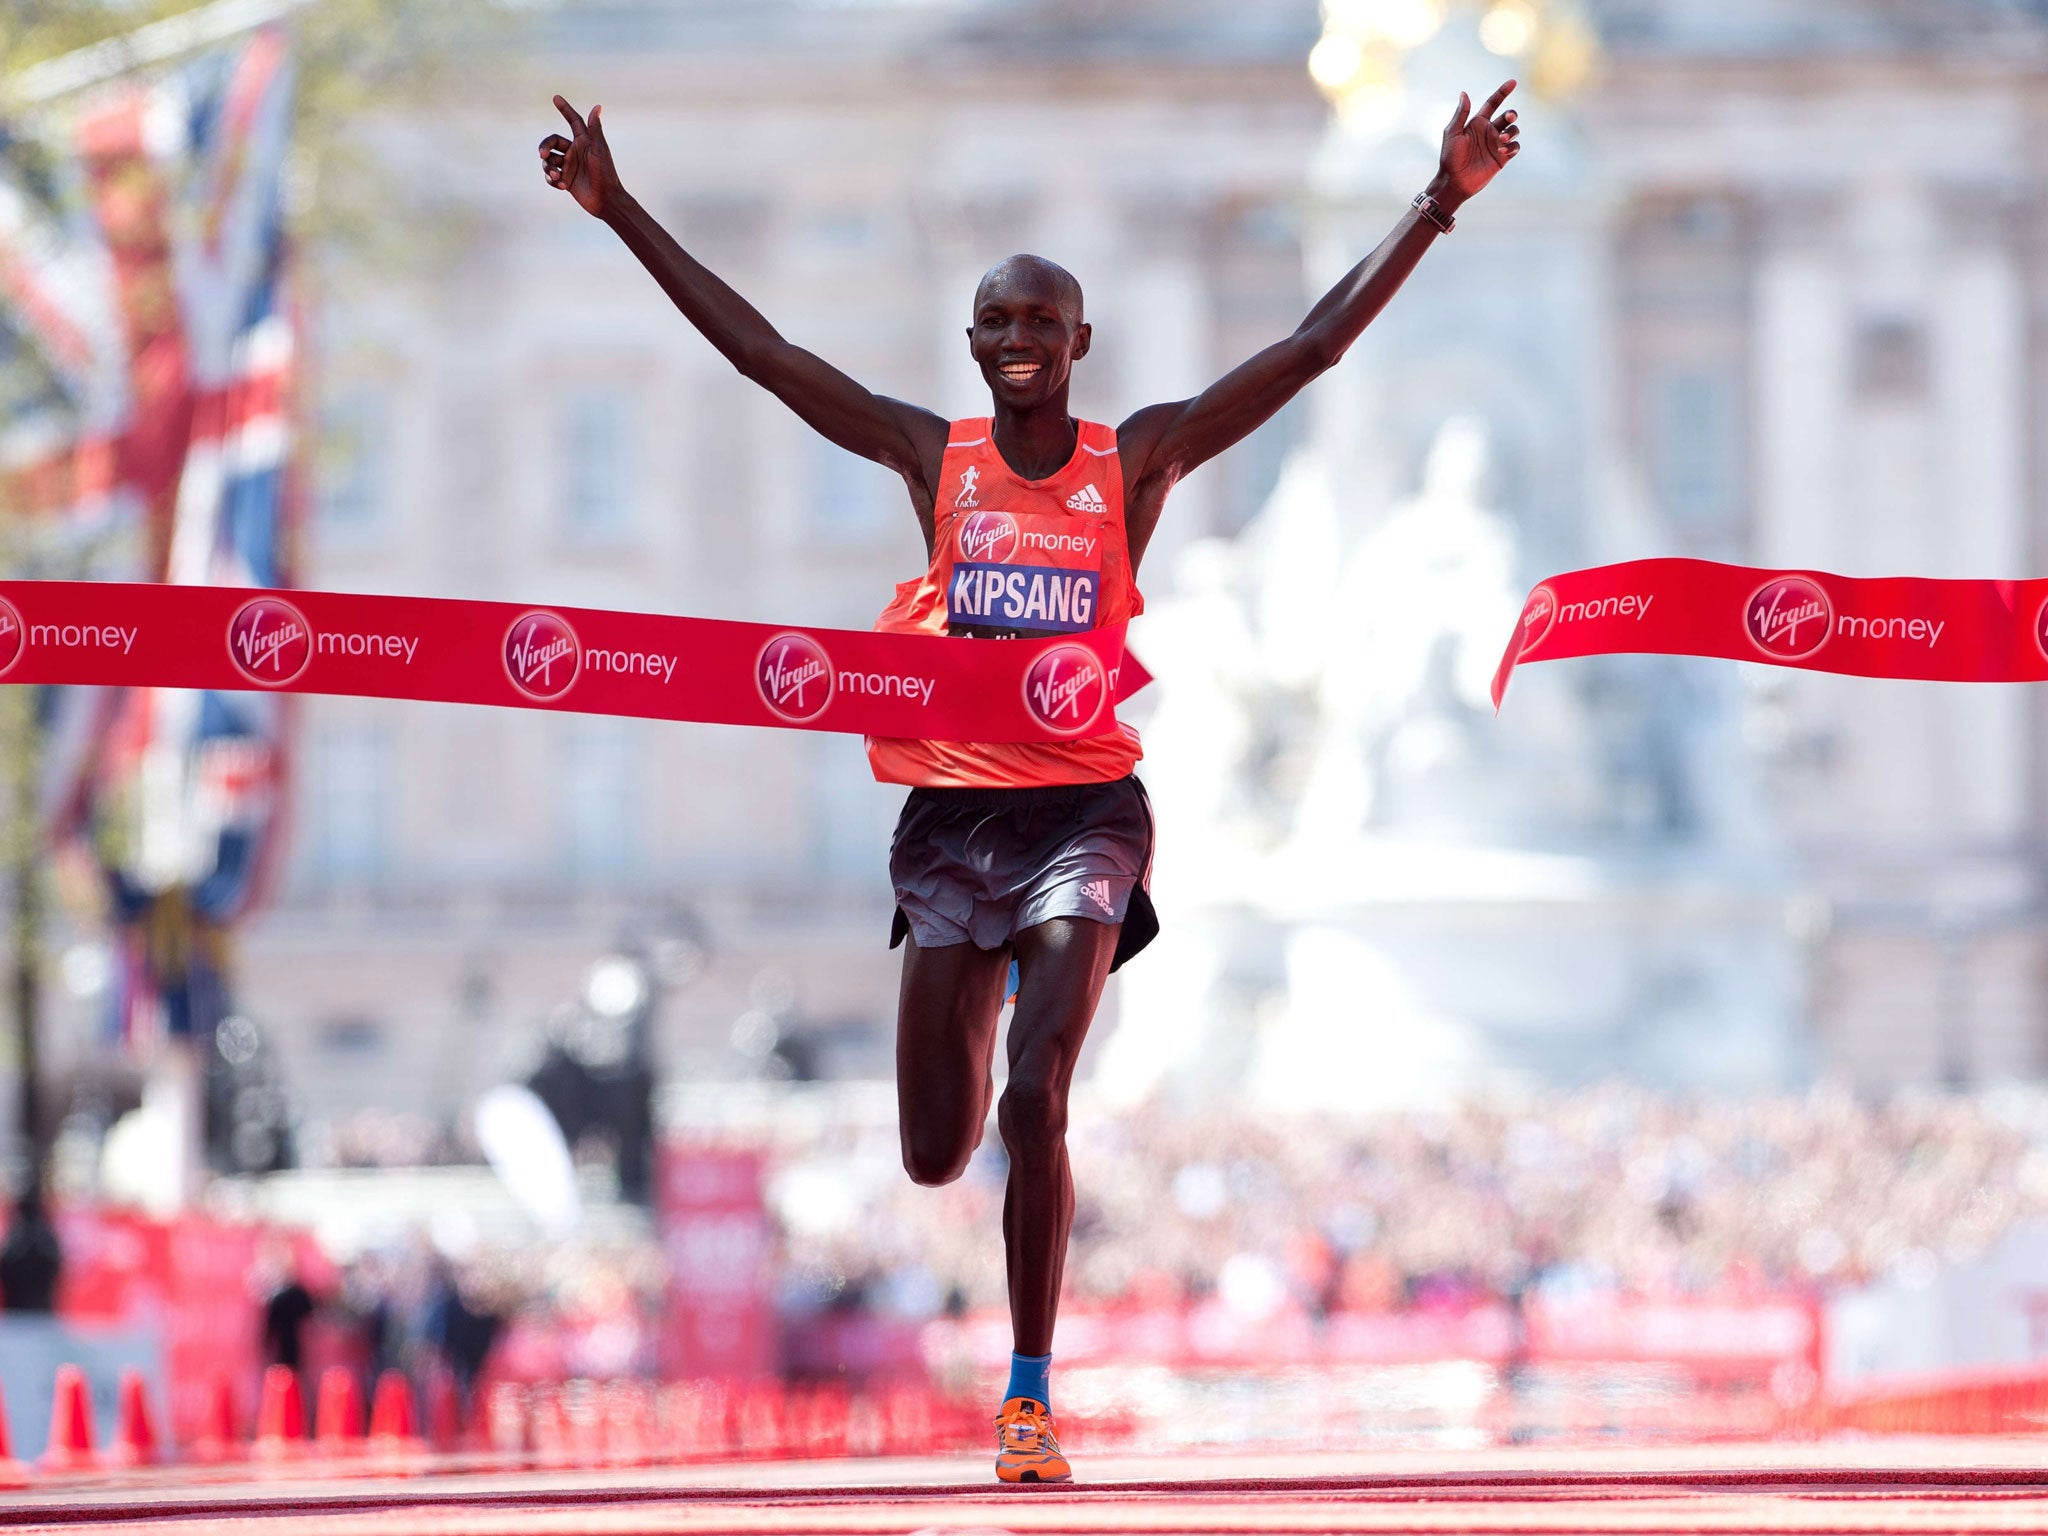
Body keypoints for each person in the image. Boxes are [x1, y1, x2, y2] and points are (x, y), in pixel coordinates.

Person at [539, 82, 1522, 1480]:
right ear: (974, 340)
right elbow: (764, 355)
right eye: (996, 323)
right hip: (953, 821)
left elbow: (1306, 350)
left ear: (1080, 344)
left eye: (1040, 325)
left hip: (1084, 811)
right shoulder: (928, 457)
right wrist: (618, 207)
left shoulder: (1140, 462)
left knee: (1039, 1100)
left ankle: (1028, 1393)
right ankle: (976, 1015)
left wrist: (1436, 202)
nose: (1017, 343)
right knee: (939, 1150)